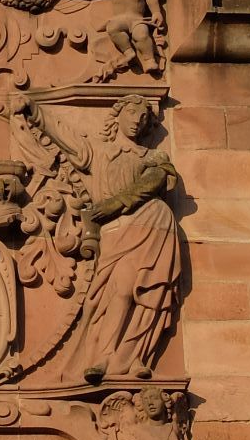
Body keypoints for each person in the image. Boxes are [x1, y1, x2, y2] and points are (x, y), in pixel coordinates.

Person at [72, 98, 180, 382]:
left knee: (145, 292)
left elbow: (154, 182)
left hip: (153, 224)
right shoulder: (99, 152)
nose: (137, 120)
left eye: (144, 117)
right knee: (119, 290)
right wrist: (33, 113)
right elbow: (64, 139)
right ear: (117, 116)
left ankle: (132, 358)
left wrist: (117, 202)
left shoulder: (152, 157)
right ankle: (106, 355)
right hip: (117, 231)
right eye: (131, 113)